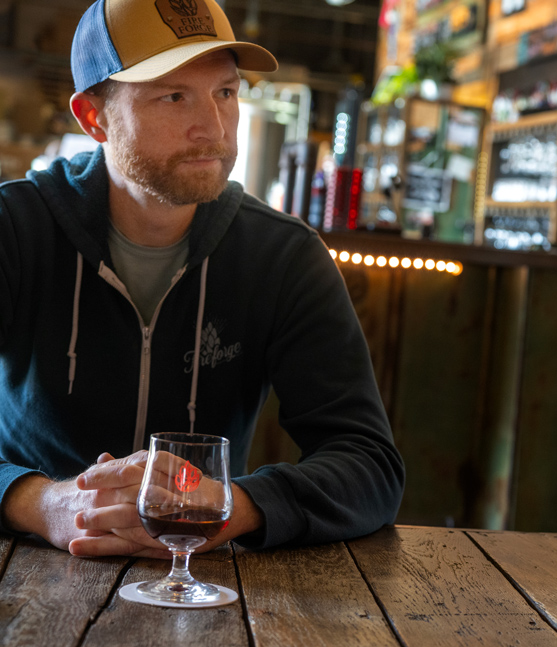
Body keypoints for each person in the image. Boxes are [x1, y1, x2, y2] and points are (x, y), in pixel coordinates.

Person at [0, 0, 404, 558]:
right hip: (27, 569)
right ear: (94, 117)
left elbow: (370, 464)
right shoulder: (15, 231)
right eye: (173, 96)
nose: (213, 129)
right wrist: (41, 504)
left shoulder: (284, 256)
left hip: (205, 585)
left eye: (226, 93)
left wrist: (232, 508)